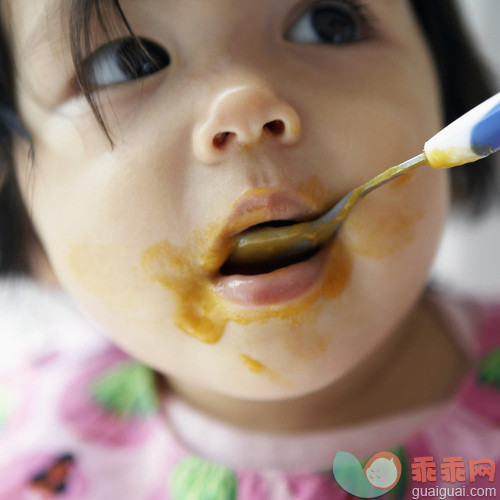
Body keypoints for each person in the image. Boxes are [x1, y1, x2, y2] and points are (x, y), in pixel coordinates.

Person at [0, 1, 499, 498]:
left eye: (328, 24)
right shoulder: (19, 445)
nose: (245, 105)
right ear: (20, 210)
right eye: (126, 61)